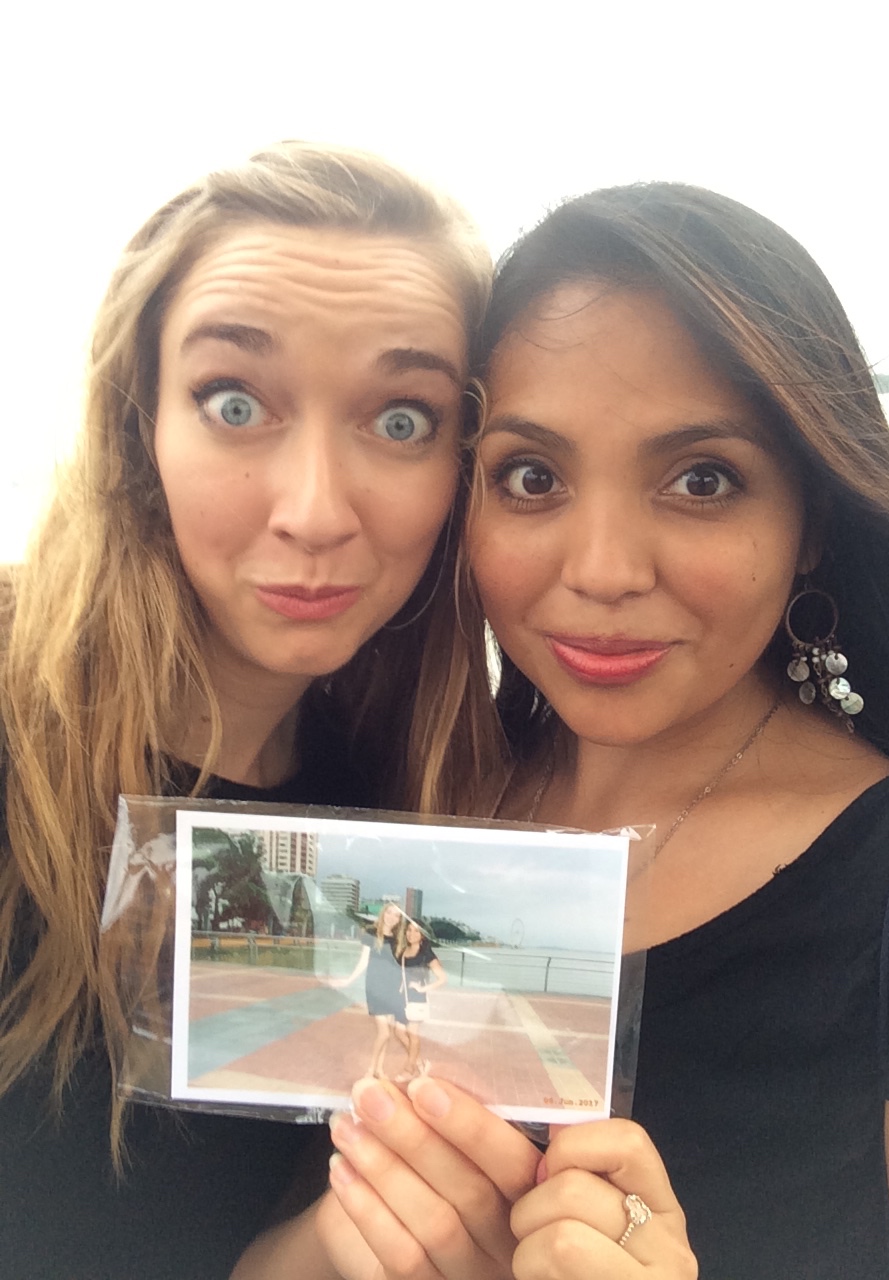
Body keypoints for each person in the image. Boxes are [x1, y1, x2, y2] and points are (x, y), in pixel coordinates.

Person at [280, 183, 889, 1280]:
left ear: (814, 520)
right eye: (532, 477)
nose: (602, 570)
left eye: (702, 479)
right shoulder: (415, 811)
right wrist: (346, 1237)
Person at [0, 140, 495, 1280]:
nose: (314, 511)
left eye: (403, 419)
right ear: (138, 423)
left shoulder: (401, 807)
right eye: (235, 403)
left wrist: (345, 1242)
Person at [329, 903, 410, 1078]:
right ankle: (371, 1069)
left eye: (396, 915)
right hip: (375, 987)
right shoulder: (371, 933)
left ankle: (379, 1070)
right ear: (383, 913)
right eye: (389, 912)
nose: (391, 917)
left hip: (393, 988)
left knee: (386, 1033)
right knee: (384, 1033)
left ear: (399, 920)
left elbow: (400, 967)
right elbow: (363, 961)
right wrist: (348, 980)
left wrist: (404, 987)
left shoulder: (399, 939)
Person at [395, 918, 446, 1082]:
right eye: (409, 930)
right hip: (403, 998)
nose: (412, 934)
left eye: (416, 931)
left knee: (412, 1034)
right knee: (399, 1032)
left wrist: (422, 989)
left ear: (422, 935)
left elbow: (442, 978)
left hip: (417, 998)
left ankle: (410, 1069)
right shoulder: (404, 952)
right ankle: (420, 1063)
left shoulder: (426, 954)